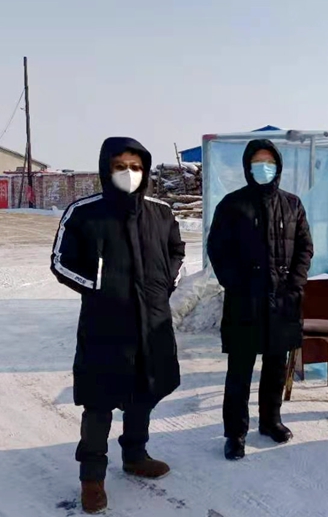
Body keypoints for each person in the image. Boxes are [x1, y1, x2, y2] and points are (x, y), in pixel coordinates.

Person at [51, 137, 185, 514]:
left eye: (136, 166)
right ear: (106, 169)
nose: (129, 173)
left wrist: (165, 281)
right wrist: (98, 286)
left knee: (144, 391)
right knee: (99, 401)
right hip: (104, 324)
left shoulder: (160, 212)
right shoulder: (85, 212)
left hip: (152, 321)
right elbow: (60, 261)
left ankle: (136, 455)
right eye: (120, 166)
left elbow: (177, 251)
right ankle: (92, 477)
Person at [208, 139, 313, 461]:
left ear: (278, 167)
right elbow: (218, 250)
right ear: (247, 167)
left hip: (282, 300)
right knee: (240, 370)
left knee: (276, 365)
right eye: (257, 162)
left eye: (269, 162)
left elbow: (304, 247)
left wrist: (295, 284)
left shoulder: (292, 204)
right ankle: (235, 433)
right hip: (245, 300)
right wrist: (236, 284)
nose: (263, 168)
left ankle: (271, 420)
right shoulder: (232, 205)